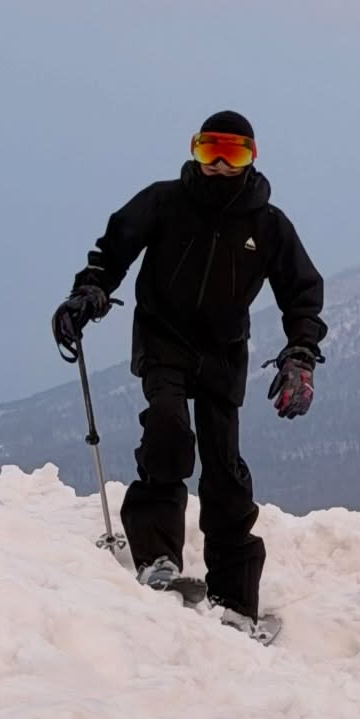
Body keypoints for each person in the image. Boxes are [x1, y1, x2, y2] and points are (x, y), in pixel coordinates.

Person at [50, 111, 325, 628]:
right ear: (194, 150)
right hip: (163, 339)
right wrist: (90, 290)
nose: (220, 165)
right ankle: (158, 555)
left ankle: (235, 600)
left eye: (233, 153)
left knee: (223, 468)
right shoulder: (164, 201)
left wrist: (300, 354)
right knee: (168, 429)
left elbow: (302, 293)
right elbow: (114, 251)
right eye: (209, 151)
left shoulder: (267, 225)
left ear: (252, 157)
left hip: (223, 352)